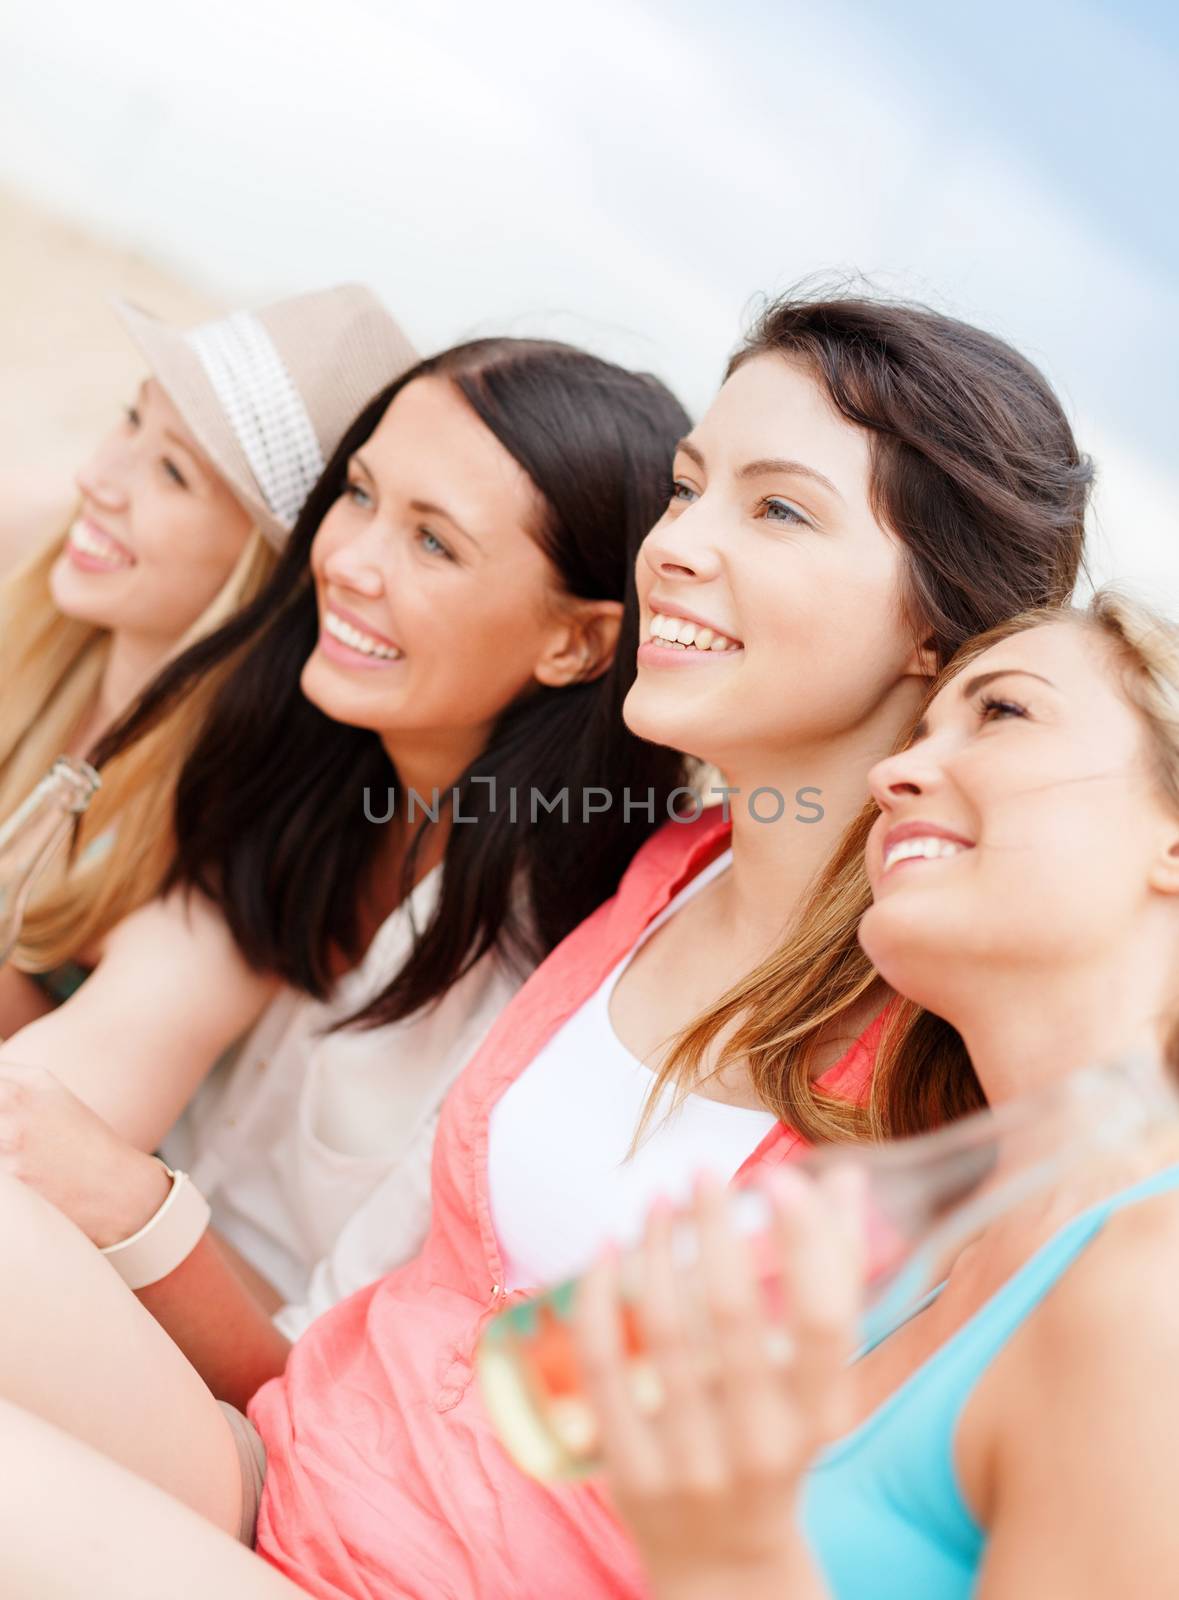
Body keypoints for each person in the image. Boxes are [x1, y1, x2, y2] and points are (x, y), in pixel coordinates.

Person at [0, 290, 1093, 1598]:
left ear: (932, 623)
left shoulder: (938, 1038)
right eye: (689, 489)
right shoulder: (659, 873)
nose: (677, 545)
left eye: (777, 507)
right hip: (279, 1471)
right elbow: (363, 1312)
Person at [0, 336, 692, 1402]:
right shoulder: (299, 773)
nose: (352, 559)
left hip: (234, 1434)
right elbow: (95, 1047)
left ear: (580, 644)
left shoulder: (554, 977)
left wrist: (130, 1200)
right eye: (360, 494)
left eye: (433, 543)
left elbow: (321, 1394)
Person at [576, 591, 1179, 1600]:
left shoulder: (1151, 1297)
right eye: (924, 725)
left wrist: (730, 1562)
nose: (891, 774)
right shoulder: (941, 1239)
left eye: (1003, 713)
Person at [0, 285, 416, 1034]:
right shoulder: (37, 606)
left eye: (172, 472)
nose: (99, 478)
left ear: (262, 568)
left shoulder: (228, 844)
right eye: (132, 418)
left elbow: (62, 1093)